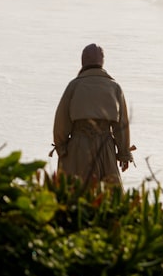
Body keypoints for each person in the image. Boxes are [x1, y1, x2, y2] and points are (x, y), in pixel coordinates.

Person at [52, 43, 133, 184]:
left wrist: (62, 148)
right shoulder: (114, 87)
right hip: (105, 148)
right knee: (110, 197)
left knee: (75, 194)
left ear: (83, 61)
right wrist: (124, 154)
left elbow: (61, 122)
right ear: (102, 61)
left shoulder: (74, 86)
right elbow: (121, 126)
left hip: (78, 147)